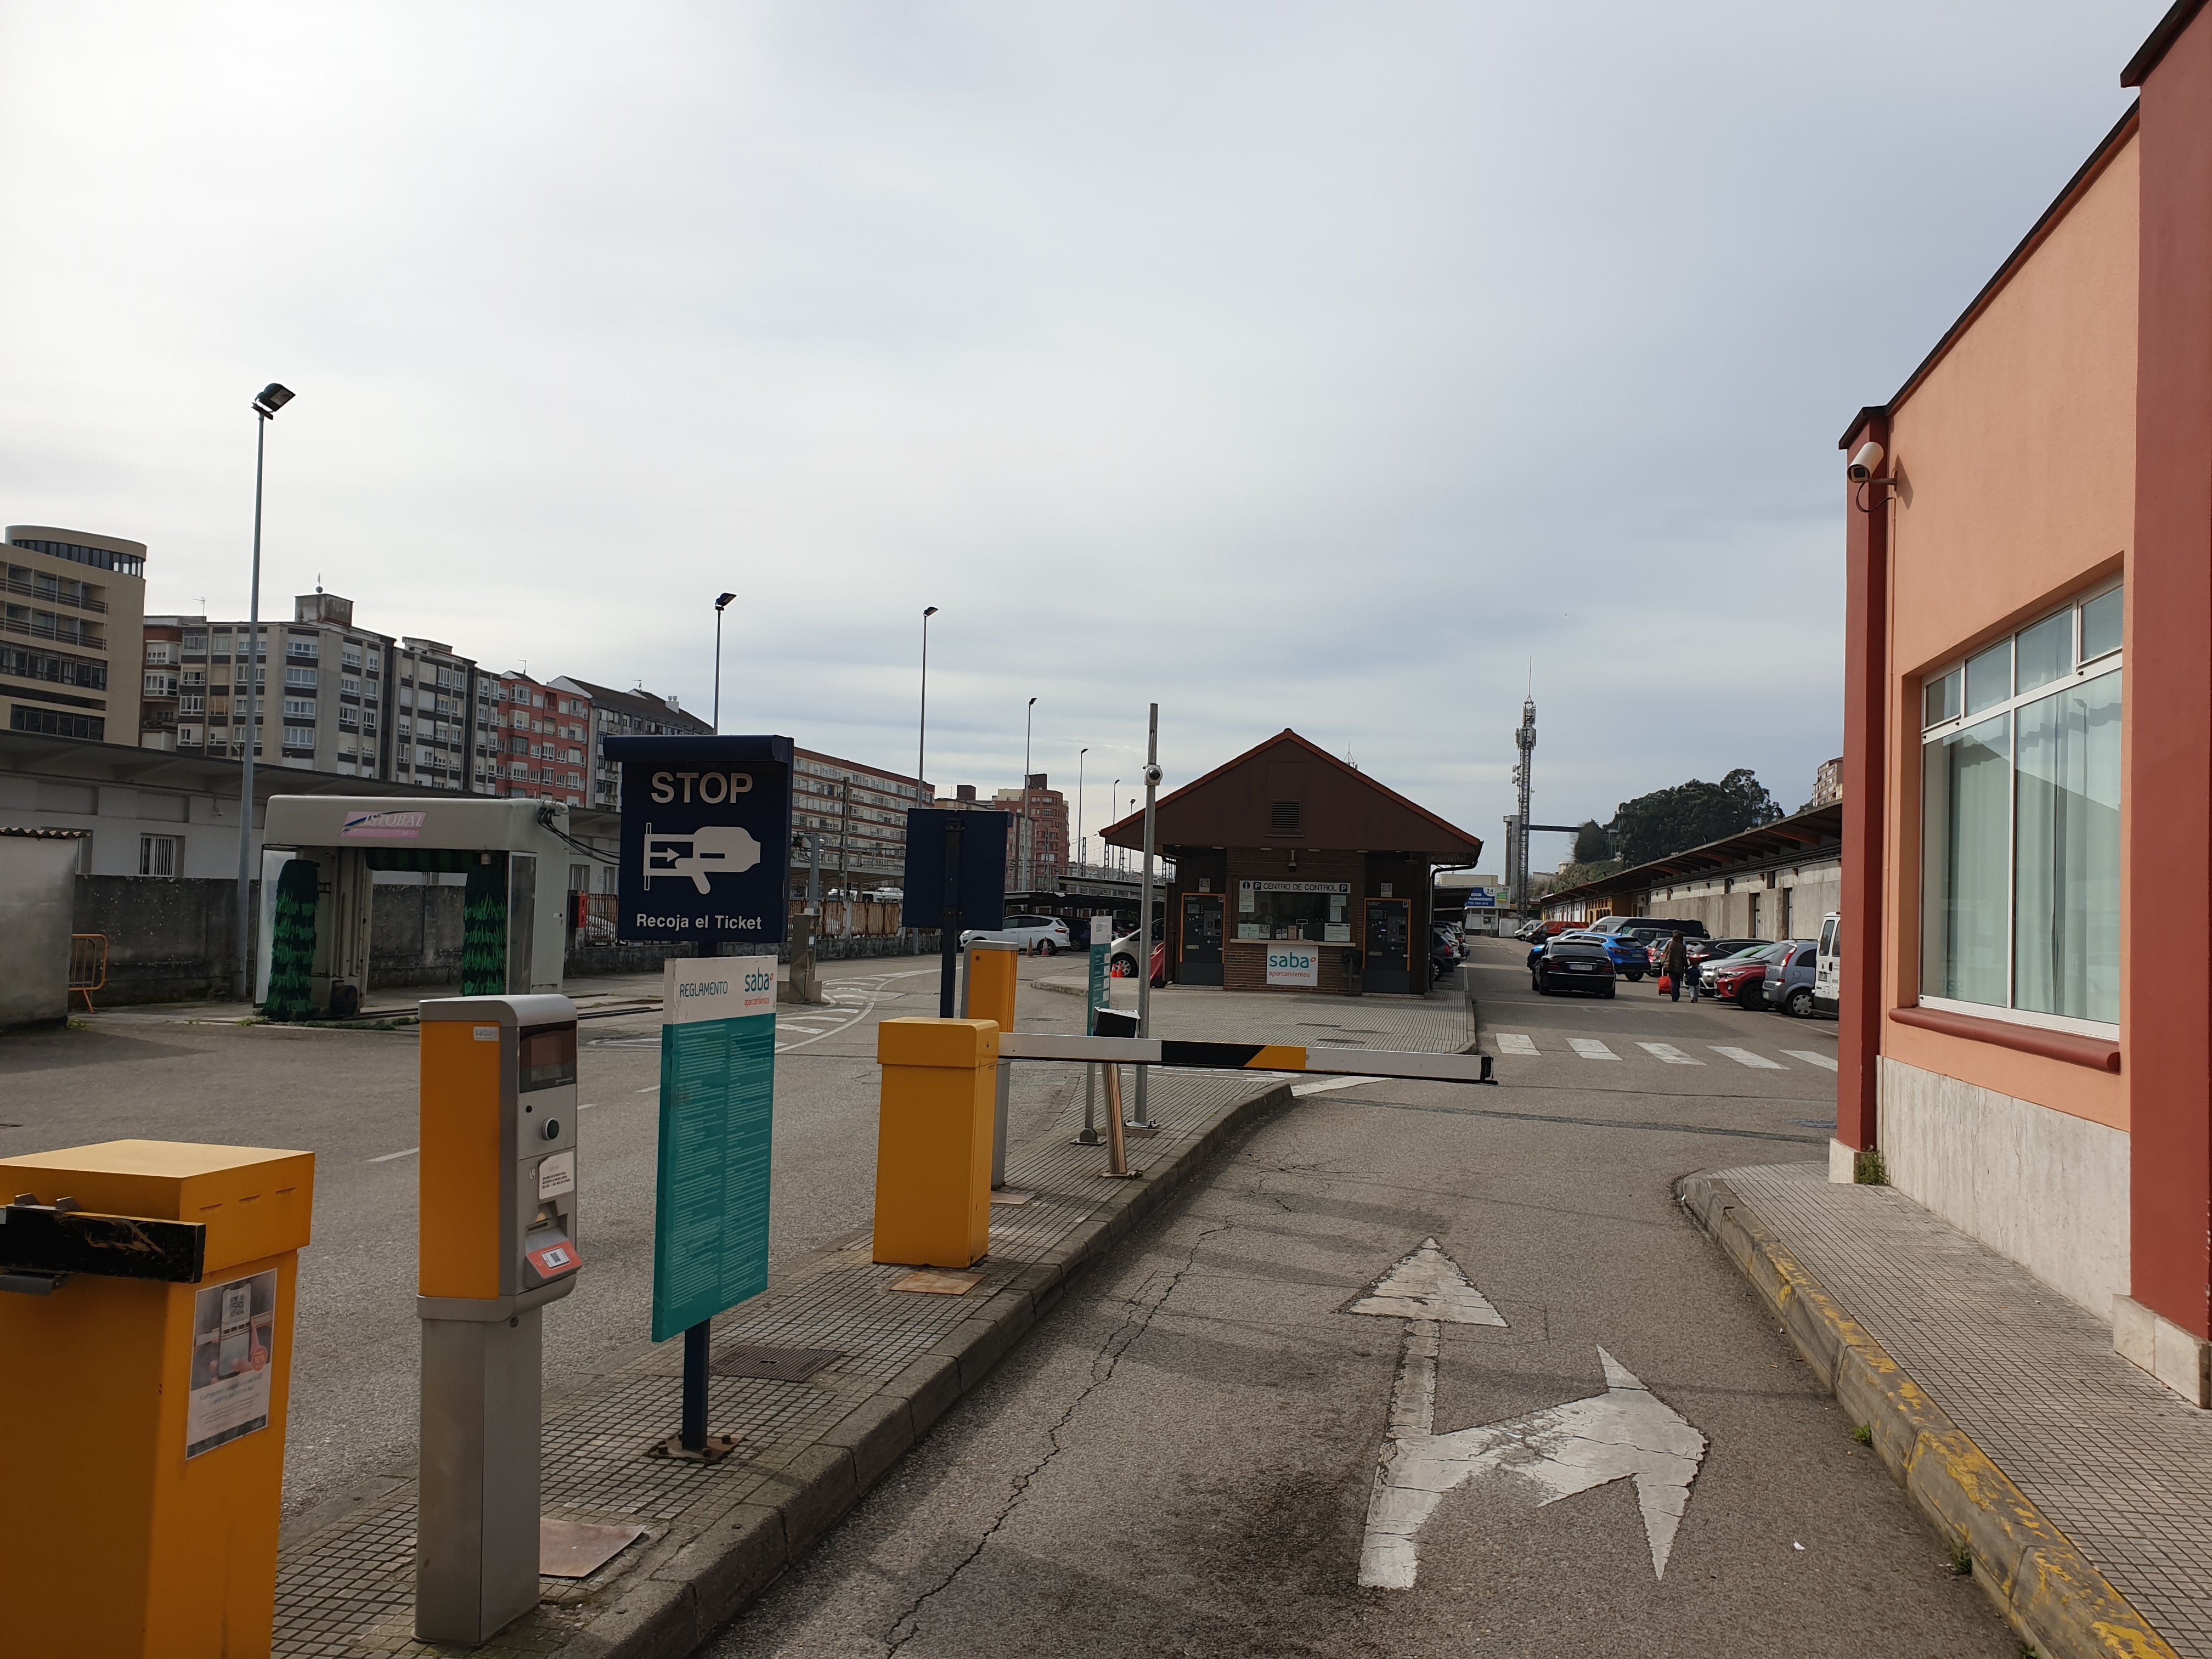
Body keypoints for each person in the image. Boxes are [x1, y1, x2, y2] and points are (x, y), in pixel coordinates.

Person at [1663, 930, 1689, 1003]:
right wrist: (1686, 966)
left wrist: (1663, 963)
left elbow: (1666, 954)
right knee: (1676, 981)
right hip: (1678, 966)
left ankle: (1674, 995)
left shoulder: (1670, 944)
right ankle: (1676, 995)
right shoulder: (1682, 946)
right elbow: (1684, 958)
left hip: (1670, 965)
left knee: (1673, 980)